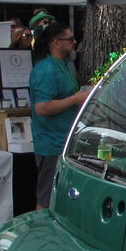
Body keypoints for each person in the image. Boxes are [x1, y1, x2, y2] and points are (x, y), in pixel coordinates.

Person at [30, 22, 88, 209]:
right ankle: (41, 227)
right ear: (56, 43)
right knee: (46, 199)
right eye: (70, 39)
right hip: (51, 144)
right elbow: (42, 107)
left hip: (65, 141)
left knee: (62, 197)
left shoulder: (64, 65)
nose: (74, 42)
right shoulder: (46, 70)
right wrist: (74, 99)